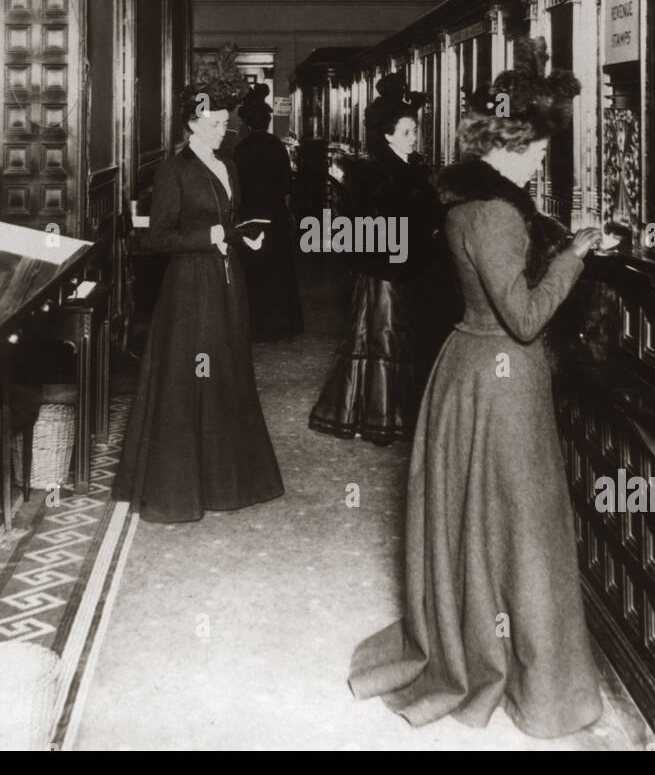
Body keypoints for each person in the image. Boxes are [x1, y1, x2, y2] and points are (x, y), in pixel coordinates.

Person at [348, 37, 605, 738]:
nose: (545, 158)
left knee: (484, 524)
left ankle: (487, 640)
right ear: (517, 142)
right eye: (541, 146)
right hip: (501, 378)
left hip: (468, 368)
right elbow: (523, 317)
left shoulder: (468, 195)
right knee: (523, 528)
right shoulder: (494, 212)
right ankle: (536, 679)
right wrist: (576, 255)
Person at [119, 86, 284, 523]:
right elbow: (158, 239)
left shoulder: (228, 164)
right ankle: (184, 487)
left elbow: (228, 220)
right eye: (212, 123)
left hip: (228, 283)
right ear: (191, 123)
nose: (221, 130)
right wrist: (212, 237)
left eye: (224, 123)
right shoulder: (173, 170)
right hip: (190, 290)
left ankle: (227, 480)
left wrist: (244, 234)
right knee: (193, 376)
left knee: (227, 372)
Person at [308, 73, 448, 446]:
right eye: (405, 131)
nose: (413, 137)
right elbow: (364, 230)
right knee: (385, 343)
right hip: (387, 273)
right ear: (387, 135)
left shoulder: (410, 167)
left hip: (407, 269)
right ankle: (383, 418)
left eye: (414, 130)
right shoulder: (382, 174)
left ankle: (395, 413)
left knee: (397, 342)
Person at [234, 84, 304, 341]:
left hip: (251, 217)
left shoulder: (240, 150)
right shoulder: (276, 146)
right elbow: (286, 185)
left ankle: (255, 325)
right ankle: (281, 325)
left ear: (247, 123)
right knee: (278, 271)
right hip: (275, 216)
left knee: (254, 271)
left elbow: (237, 189)